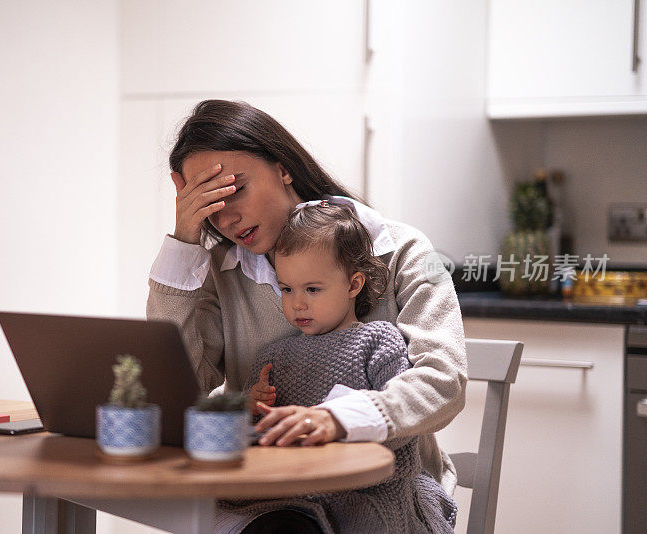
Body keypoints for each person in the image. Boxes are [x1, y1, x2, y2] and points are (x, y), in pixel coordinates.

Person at [146, 99, 467, 531]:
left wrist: (337, 418)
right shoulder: (217, 270)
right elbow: (180, 392)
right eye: (209, 203)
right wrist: (184, 242)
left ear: (283, 168)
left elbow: (443, 379)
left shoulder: (404, 250)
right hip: (263, 498)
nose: (227, 217)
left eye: (236, 189)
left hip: (384, 490)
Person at [218, 201, 457, 533]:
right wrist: (251, 407)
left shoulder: (378, 342)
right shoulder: (275, 357)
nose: (297, 303)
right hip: (292, 496)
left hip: (367, 490)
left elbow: (402, 429)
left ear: (353, 285)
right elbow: (261, 437)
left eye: (312, 289)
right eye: (287, 289)